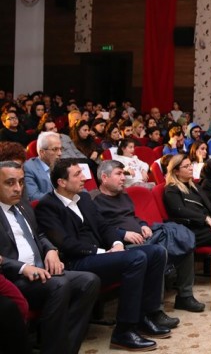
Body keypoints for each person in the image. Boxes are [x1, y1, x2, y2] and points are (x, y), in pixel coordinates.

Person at [35, 159, 174, 351]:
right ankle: (124, 331)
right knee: (136, 258)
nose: (84, 177)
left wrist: (116, 243)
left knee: (156, 252)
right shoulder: (47, 205)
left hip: (101, 255)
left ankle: (146, 315)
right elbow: (65, 243)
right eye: (77, 174)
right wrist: (102, 251)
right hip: (77, 261)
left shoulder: (83, 198)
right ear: (62, 182)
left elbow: (104, 227)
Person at [0, 161, 100, 354]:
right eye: (10, 183)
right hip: (13, 278)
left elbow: (40, 235)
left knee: (89, 280)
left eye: (21, 182)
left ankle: (62, 347)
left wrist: (51, 250)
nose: (18, 188)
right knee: (59, 285)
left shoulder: (23, 206)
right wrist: (22, 267)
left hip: (41, 271)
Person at [92, 160, 205, 313]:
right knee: (158, 252)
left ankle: (185, 296)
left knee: (185, 242)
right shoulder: (94, 200)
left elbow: (133, 217)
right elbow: (98, 229)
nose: (123, 178)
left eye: (123, 174)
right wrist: (122, 234)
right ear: (104, 178)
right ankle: (155, 310)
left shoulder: (123, 195)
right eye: (118, 174)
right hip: (121, 245)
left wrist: (143, 224)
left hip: (143, 235)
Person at [24, 132, 63, 201]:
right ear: (42, 152)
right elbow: (34, 197)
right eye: (55, 149)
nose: (60, 153)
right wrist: (62, 197)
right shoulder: (29, 168)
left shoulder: (60, 164)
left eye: (61, 149)